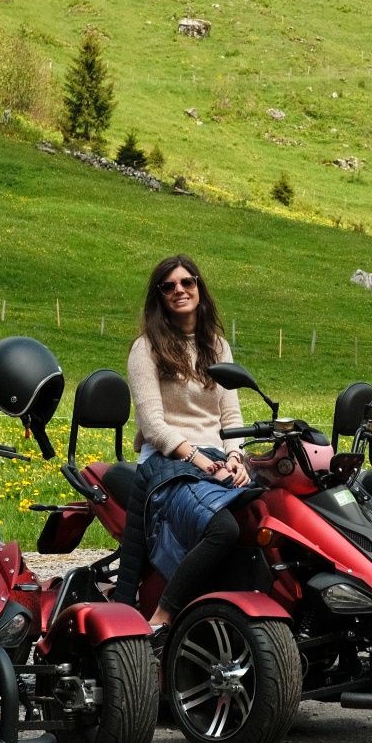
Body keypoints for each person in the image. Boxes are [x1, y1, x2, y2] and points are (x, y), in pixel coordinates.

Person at [117, 255, 252, 628]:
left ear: (200, 289)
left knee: (264, 515)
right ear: (159, 296)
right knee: (223, 528)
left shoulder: (217, 346)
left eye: (187, 282)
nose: (179, 290)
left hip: (215, 458)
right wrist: (198, 459)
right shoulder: (146, 348)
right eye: (169, 286)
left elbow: (231, 417)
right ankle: (163, 614)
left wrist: (236, 458)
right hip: (168, 460)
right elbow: (153, 424)